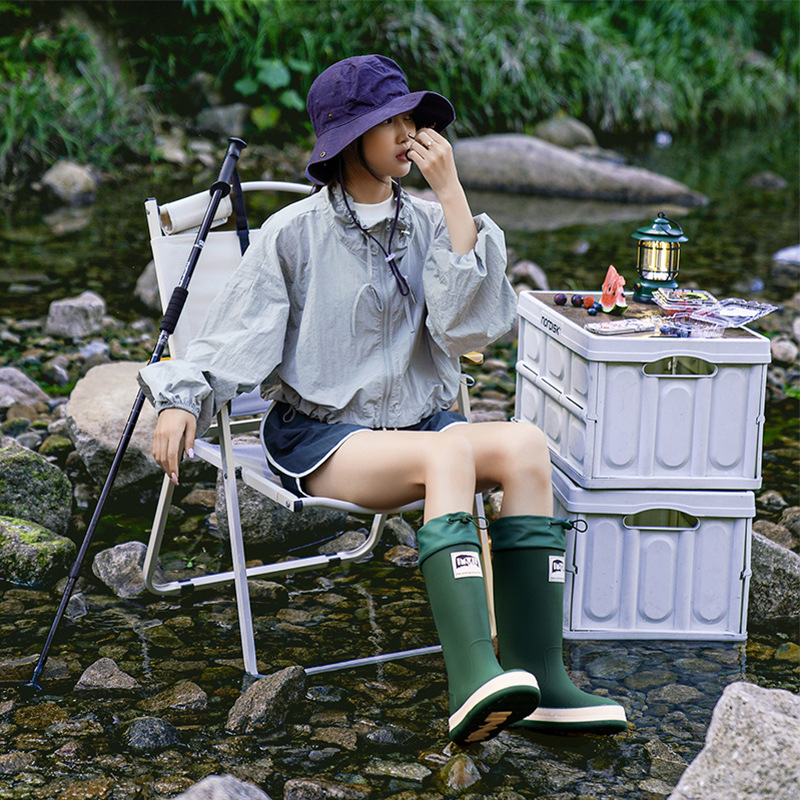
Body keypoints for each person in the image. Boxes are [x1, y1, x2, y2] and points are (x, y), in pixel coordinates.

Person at [138, 54, 626, 744]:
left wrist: (452, 195)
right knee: (450, 452)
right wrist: (181, 397)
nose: (408, 132)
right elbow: (230, 341)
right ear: (347, 139)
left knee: (522, 445)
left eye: (411, 118)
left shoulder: (426, 223)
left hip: (424, 427)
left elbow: (473, 326)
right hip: (325, 437)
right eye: (389, 121)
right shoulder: (292, 234)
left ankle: (541, 677)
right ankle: (472, 679)